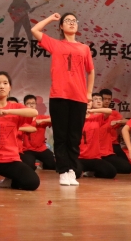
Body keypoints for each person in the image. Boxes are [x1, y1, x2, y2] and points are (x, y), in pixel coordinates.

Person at [31, 12, 95, 186]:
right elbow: (35, 30)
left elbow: (91, 71)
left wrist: (89, 93)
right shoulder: (55, 44)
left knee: (74, 137)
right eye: (67, 21)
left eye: (74, 21)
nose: (72, 23)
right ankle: (63, 171)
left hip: (79, 98)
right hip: (59, 95)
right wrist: (51, 18)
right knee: (60, 136)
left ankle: (72, 170)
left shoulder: (84, 48)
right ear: (61, 26)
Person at [74, 100, 116, 179]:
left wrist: (92, 110)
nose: (88, 102)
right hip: (78, 157)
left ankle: (91, 172)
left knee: (111, 172)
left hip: (94, 158)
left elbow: (109, 111)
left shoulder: (96, 118)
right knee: (75, 173)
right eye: (86, 101)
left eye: (90, 101)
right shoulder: (75, 118)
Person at [92, 93, 131, 174]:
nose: (99, 101)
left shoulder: (109, 117)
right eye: (96, 99)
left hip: (106, 152)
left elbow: (129, 121)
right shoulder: (87, 117)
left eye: (100, 99)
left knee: (127, 168)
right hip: (92, 153)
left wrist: (118, 121)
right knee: (109, 171)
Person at [19, 95, 56, 171]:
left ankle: (44, 168)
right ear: (25, 105)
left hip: (41, 148)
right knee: (28, 167)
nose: (31, 105)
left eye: (33, 103)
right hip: (27, 149)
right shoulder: (22, 119)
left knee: (52, 165)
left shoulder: (41, 117)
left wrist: (43, 121)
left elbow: (56, 119)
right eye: (28, 103)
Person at [99, 89, 130, 163]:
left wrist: (119, 121)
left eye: (109, 99)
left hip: (113, 144)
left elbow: (128, 121)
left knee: (127, 165)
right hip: (100, 145)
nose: (107, 101)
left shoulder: (114, 113)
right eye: (105, 99)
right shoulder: (95, 113)